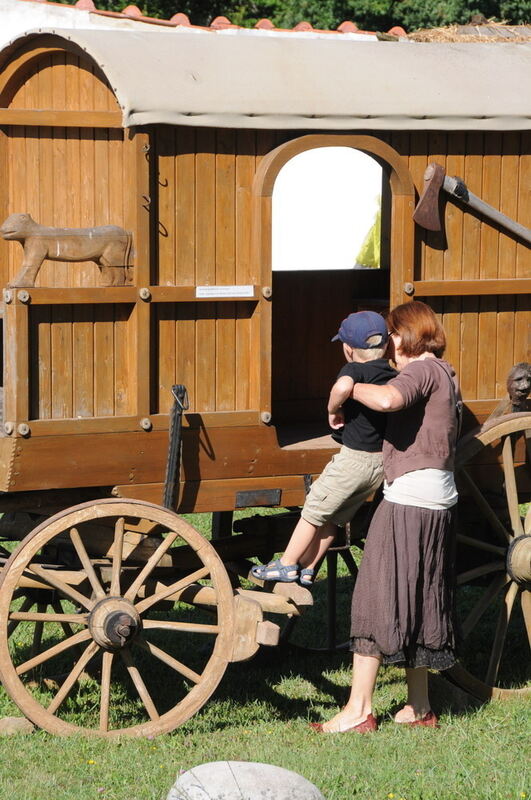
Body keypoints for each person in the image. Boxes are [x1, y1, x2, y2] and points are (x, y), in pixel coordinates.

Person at [312, 300, 460, 733]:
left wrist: (349, 384)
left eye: (393, 333)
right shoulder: (444, 371)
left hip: (410, 499)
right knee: (419, 596)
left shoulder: (419, 371)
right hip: (437, 499)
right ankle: (418, 707)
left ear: (409, 335)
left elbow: (390, 398)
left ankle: (358, 710)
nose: (388, 342)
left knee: (376, 596)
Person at [252, 310, 396, 586]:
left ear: (347, 349)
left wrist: (333, 409)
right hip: (379, 464)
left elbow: (342, 387)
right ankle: (307, 568)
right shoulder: (390, 373)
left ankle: (286, 564)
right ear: (387, 345)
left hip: (353, 461)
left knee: (314, 509)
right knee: (335, 518)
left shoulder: (353, 370)